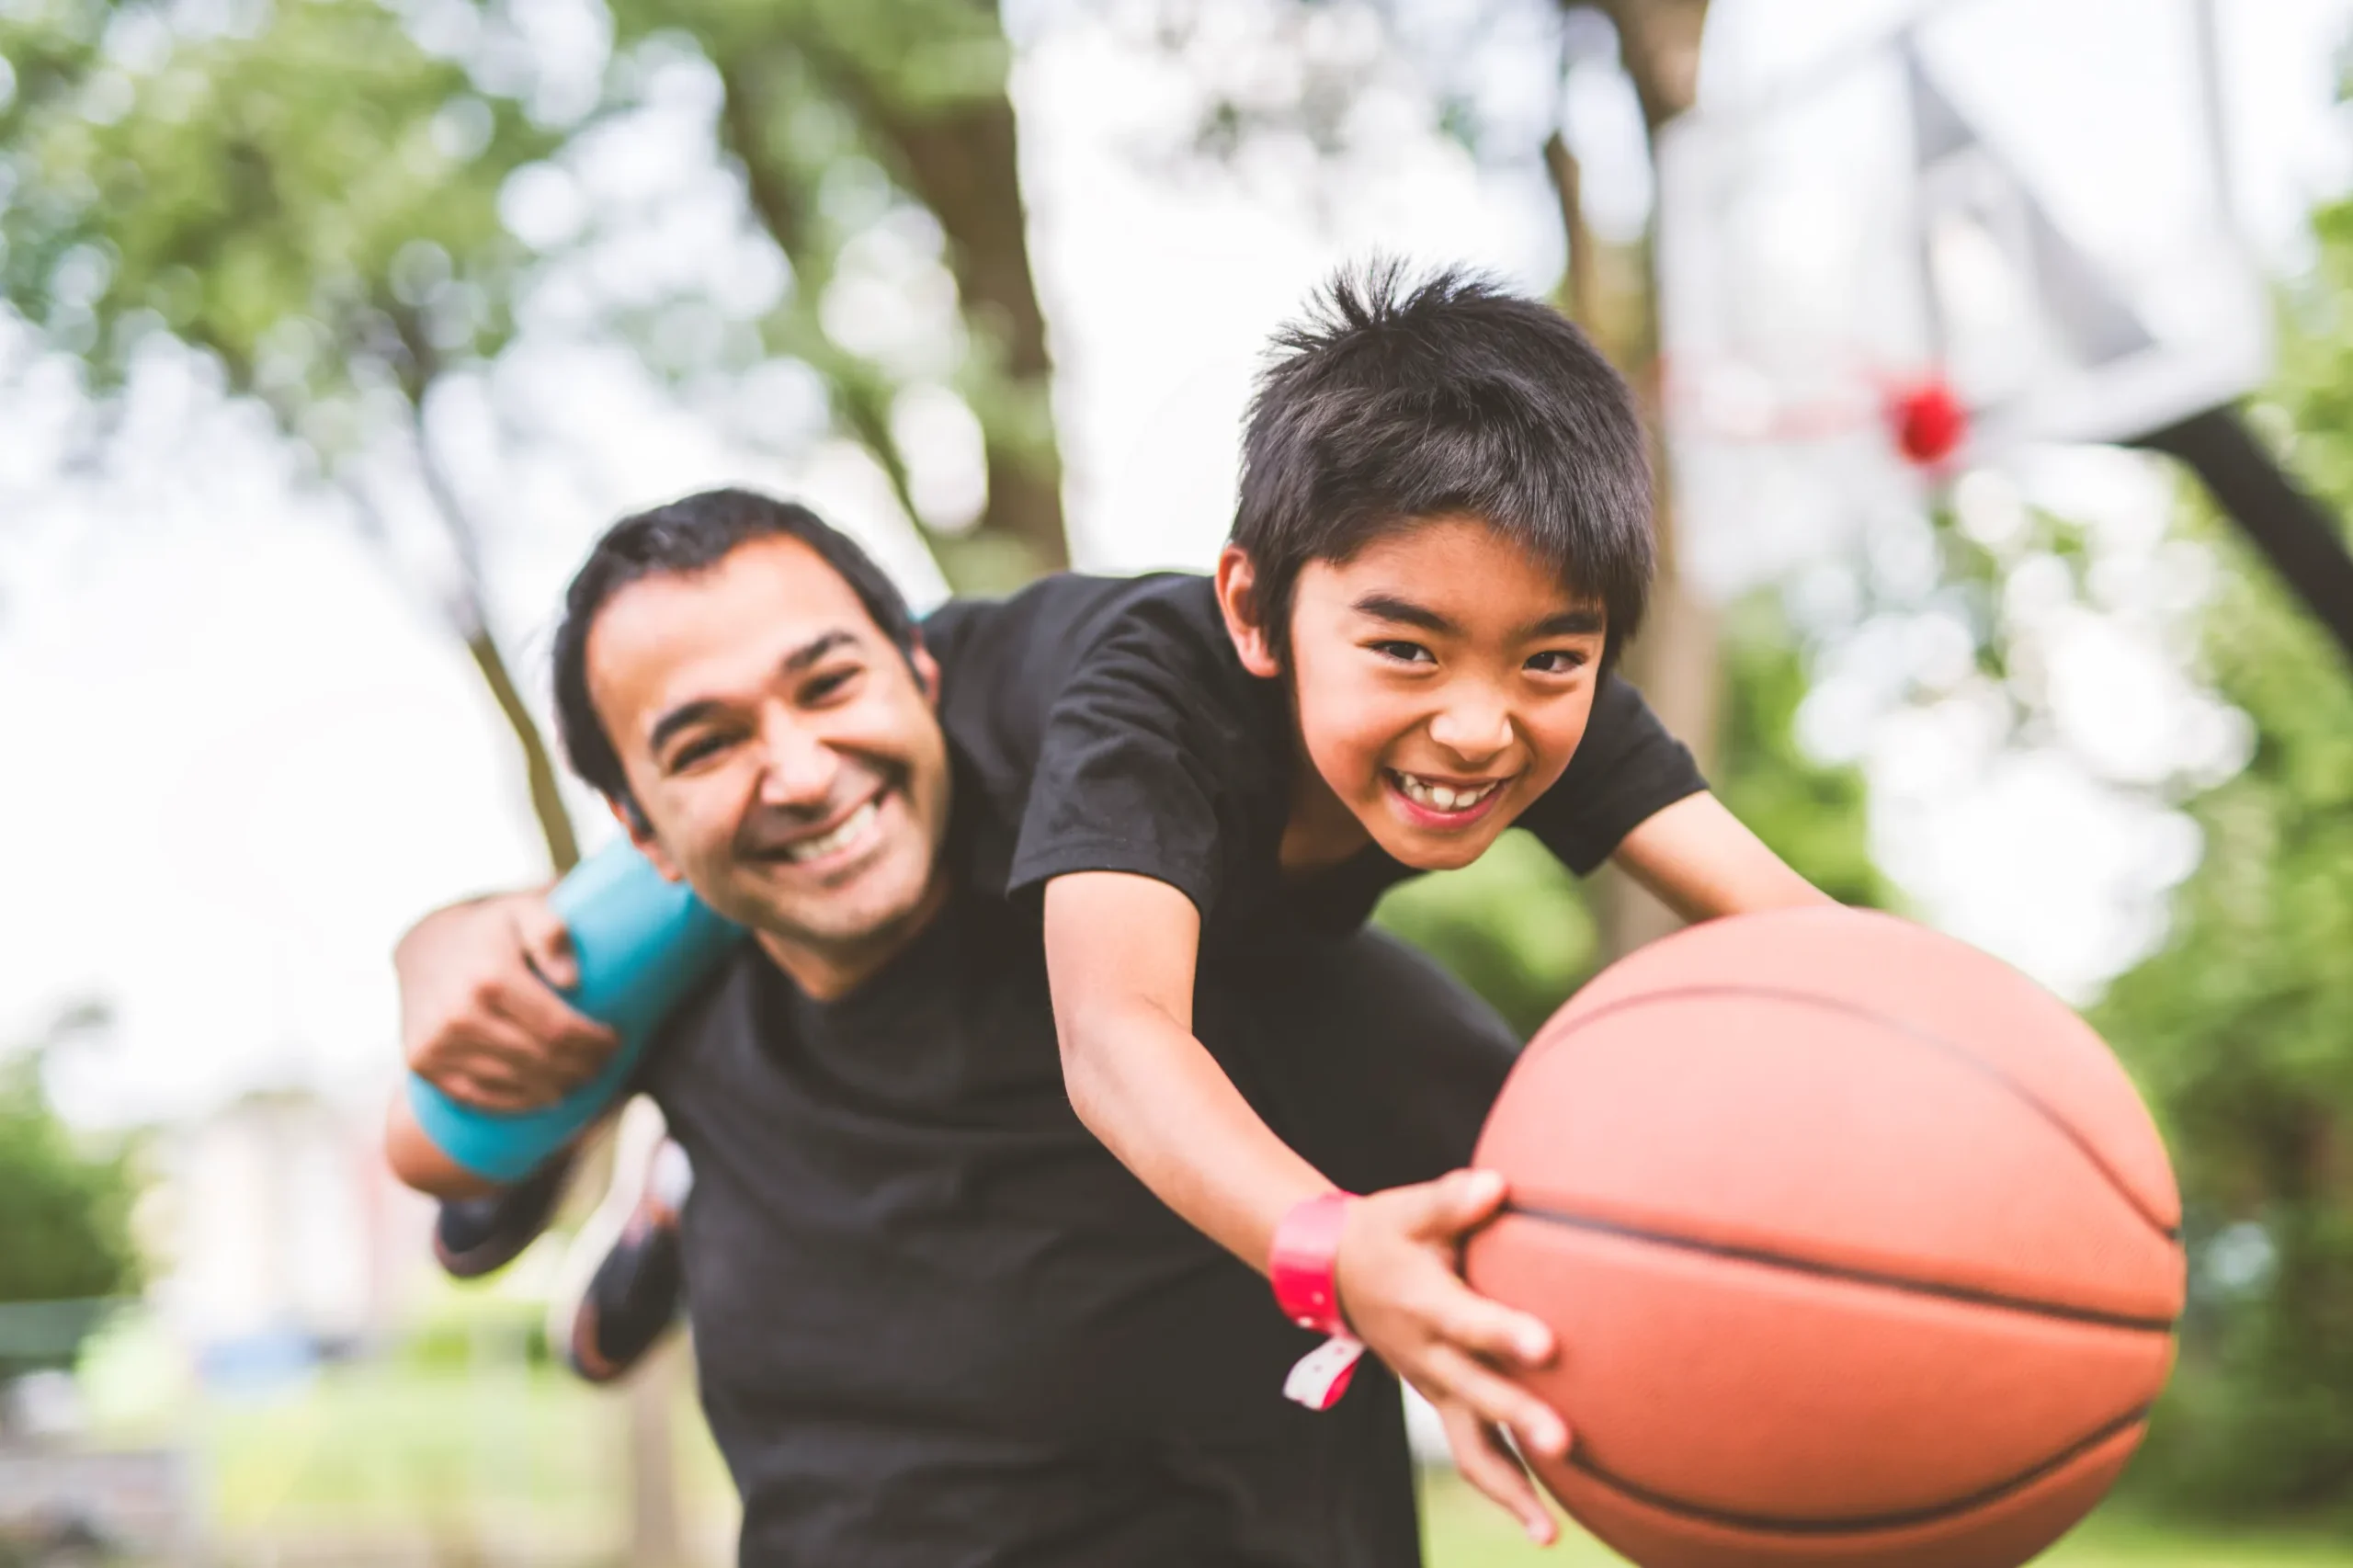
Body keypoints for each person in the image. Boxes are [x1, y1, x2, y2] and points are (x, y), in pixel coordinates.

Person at [389, 489, 1541, 1563]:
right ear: (638, 831)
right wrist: (441, 932)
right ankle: (671, 1184)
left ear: (923, 670)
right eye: (705, 743)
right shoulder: (672, 988)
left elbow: (1602, 1217)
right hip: (680, 1094)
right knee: (477, 1218)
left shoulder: (1196, 956)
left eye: (829, 683)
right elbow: (430, 1137)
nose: (797, 770)